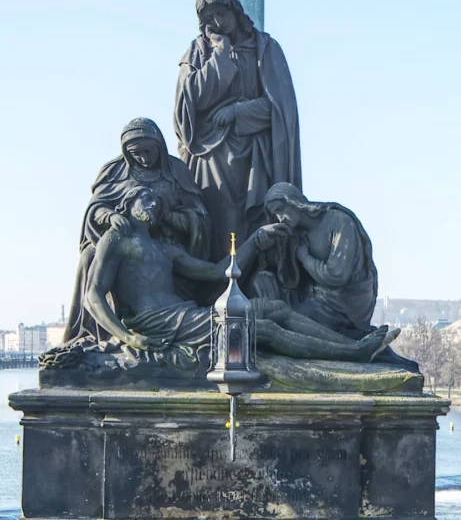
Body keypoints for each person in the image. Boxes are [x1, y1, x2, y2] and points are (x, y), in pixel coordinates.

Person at [84, 186, 397, 367]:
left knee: (275, 309)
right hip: (156, 320)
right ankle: (353, 353)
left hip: (184, 315)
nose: (153, 205)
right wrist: (126, 337)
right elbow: (92, 295)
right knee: (262, 329)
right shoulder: (117, 239)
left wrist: (256, 239)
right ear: (127, 203)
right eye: (146, 199)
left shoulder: (165, 249)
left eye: (158, 202)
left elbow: (217, 271)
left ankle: (353, 345)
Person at [174, 0, 302, 261]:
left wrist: (237, 111)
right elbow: (189, 105)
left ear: (235, 11)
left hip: (255, 159)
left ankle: (255, 284)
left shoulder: (265, 49)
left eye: (220, 13)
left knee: (252, 225)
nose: (216, 22)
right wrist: (220, 53)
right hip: (210, 157)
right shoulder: (198, 52)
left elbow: (281, 109)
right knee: (214, 225)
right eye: (209, 18)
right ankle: (211, 285)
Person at [63, 117, 211, 345]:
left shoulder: (177, 171)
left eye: (148, 151)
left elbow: (199, 216)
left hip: (165, 246)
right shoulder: (114, 171)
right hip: (124, 242)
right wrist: (111, 216)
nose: (142, 157)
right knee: (89, 258)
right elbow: (96, 207)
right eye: (135, 153)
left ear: (159, 147)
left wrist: (166, 217)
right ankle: (96, 331)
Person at [249, 182, 417, 371]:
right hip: (317, 296)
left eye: (281, 210)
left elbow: (337, 276)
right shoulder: (297, 232)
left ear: (294, 202)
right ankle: (357, 348)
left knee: (280, 318)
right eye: (275, 214)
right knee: (266, 296)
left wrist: (304, 257)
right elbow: (290, 277)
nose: (280, 218)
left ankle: (356, 348)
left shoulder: (338, 220)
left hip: (345, 303)